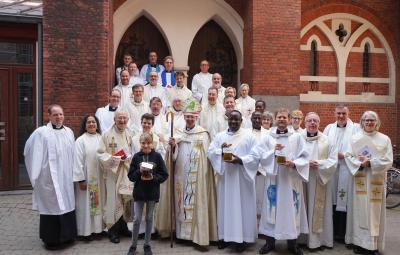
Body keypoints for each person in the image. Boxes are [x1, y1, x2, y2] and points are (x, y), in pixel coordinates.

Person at [246, 108, 309, 255]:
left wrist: (293, 163)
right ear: (275, 119)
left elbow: (305, 157)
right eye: (279, 117)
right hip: (273, 179)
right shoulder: (268, 137)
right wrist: (272, 152)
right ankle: (269, 243)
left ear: (288, 119)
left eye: (284, 117)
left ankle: (293, 244)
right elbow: (259, 155)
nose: (281, 120)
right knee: (271, 209)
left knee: (292, 210)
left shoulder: (297, 137)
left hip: (290, 179)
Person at [162, 99, 217, 247]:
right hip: (180, 174)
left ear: (196, 117)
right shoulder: (178, 133)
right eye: (187, 117)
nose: (190, 119)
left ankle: (195, 235)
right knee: (180, 201)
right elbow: (171, 157)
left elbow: (206, 156)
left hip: (196, 176)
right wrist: (173, 147)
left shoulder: (203, 134)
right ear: (184, 117)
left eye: (192, 117)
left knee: (194, 203)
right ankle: (180, 234)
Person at [24, 104, 77, 249]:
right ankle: (52, 240)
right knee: (52, 206)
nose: (59, 117)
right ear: (49, 116)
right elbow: (29, 151)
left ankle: (68, 237)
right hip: (49, 178)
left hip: (65, 177)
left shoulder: (69, 132)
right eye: (55, 115)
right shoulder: (41, 133)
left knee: (66, 203)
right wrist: (37, 174)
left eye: (61, 114)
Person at [208, 110, 258, 252]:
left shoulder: (249, 136)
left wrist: (241, 160)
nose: (234, 122)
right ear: (228, 120)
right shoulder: (220, 136)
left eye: (237, 120)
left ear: (242, 121)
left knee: (242, 208)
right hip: (226, 179)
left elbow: (256, 155)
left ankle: (242, 239)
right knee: (226, 207)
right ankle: (225, 237)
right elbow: (211, 152)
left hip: (243, 179)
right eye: (231, 119)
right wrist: (221, 151)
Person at [344, 111, 392, 255]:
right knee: (358, 211)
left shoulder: (385, 139)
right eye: (366, 120)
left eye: (372, 120)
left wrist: (370, 163)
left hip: (375, 180)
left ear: (376, 122)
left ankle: (373, 245)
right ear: (362, 122)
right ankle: (358, 243)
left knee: (373, 213)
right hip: (360, 178)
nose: (369, 123)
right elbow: (348, 155)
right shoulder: (355, 138)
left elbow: (388, 160)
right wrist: (358, 162)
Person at [323, 104, 360, 243]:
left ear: (348, 113)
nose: (341, 116)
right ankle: (333, 232)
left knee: (345, 200)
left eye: (343, 113)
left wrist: (344, 155)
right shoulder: (329, 128)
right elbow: (323, 146)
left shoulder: (356, 128)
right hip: (332, 171)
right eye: (338, 113)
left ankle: (345, 233)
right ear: (334, 113)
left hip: (348, 170)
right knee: (332, 200)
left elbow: (359, 148)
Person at [127, 133, 169, 255]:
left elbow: (164, 174)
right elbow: (130, 176)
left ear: (152, 143)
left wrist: (154, 177)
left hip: (152, 192)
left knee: (150, 218)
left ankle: (147, 245)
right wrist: (139, 172)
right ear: (140, 143)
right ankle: (133, 245)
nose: (146, 145)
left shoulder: (157, 157)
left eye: (148, 143)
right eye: (143, 143)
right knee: (136, 219)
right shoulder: (136, 157)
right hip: (139, 192)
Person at [301, 112, 337, 250]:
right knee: (303, 207)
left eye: (315, 121)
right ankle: (301, 239)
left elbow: (333, 161)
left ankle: (318, 241)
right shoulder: (298, 138)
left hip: (319, 179)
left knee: (319, 210)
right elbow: (292, 156)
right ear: (305, 123)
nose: (312, 123)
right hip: (302, 179)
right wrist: (304, 164)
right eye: (309, 120)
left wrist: (319, 164)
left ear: (319, 123)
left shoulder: (327, 140)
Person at [97, 110, 133, 243]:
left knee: (125, 200)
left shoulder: (130, 133)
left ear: (127, 120)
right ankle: (112, 230)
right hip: (113, 173)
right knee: (113, 201)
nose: (122, 121)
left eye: (124, 118)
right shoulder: (106, 135)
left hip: (126, 171)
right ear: (114, 119)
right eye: (119, 118)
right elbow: (100, 153)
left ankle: (123, 227)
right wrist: (115, 159)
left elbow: (134, 150)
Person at [73, 115, 104, 241]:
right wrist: (81, 180)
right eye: (89, 122)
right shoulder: (80, 140)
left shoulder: (101, 138)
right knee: (86, 206)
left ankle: (97, 230)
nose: (91, 124)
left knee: (97, 204)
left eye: (93, 122)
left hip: (99, 178)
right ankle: (85, 232)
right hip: (86, 178)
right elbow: (77, 161)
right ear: (85, 125)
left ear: (97, 124)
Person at [250, 111, 269, 224]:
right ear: (251, 119)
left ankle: (261, 226)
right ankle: (250, 225)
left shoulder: (268, 133)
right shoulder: (245, 133)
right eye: (255, 118)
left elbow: (269, 152)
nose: (257, 120)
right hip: (248, 171)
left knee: (262, 197)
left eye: (259, 118)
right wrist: (252, 167)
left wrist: (260, 168)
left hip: (262, 171)